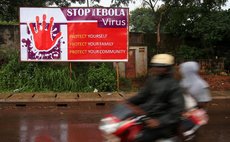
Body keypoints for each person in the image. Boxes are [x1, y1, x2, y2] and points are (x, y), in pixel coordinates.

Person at [124, 54, 185, 142]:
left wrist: (159, 121)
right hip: (147, 118)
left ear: (168, 68)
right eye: (155, 66)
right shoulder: (152, 80)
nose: (157, 68)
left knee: (140, 139)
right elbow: (142, 96)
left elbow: (176, 110)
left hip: (164, 124)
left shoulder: (174, 86)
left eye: (161, 66)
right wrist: (128, 102)